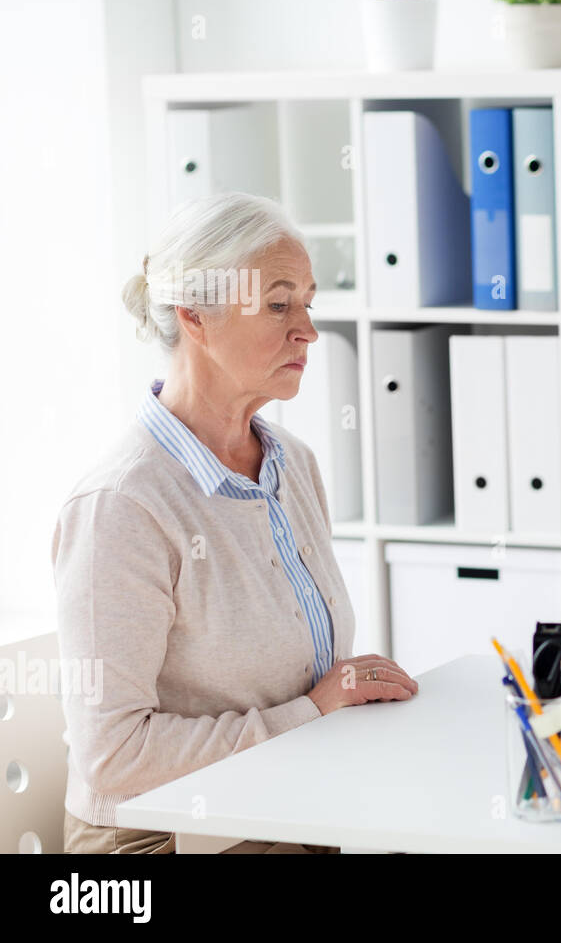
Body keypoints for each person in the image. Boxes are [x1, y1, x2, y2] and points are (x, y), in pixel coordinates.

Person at [54, 192, 419, 853]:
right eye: (279, 304)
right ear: (195, 315)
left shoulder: (292, 465)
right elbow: (114, 755)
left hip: (280, 808)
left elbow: (301, 687)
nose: (306, 329)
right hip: (161, 838)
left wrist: (342, 697)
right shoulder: (122, 506)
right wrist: (311, 712)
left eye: (309, 302)